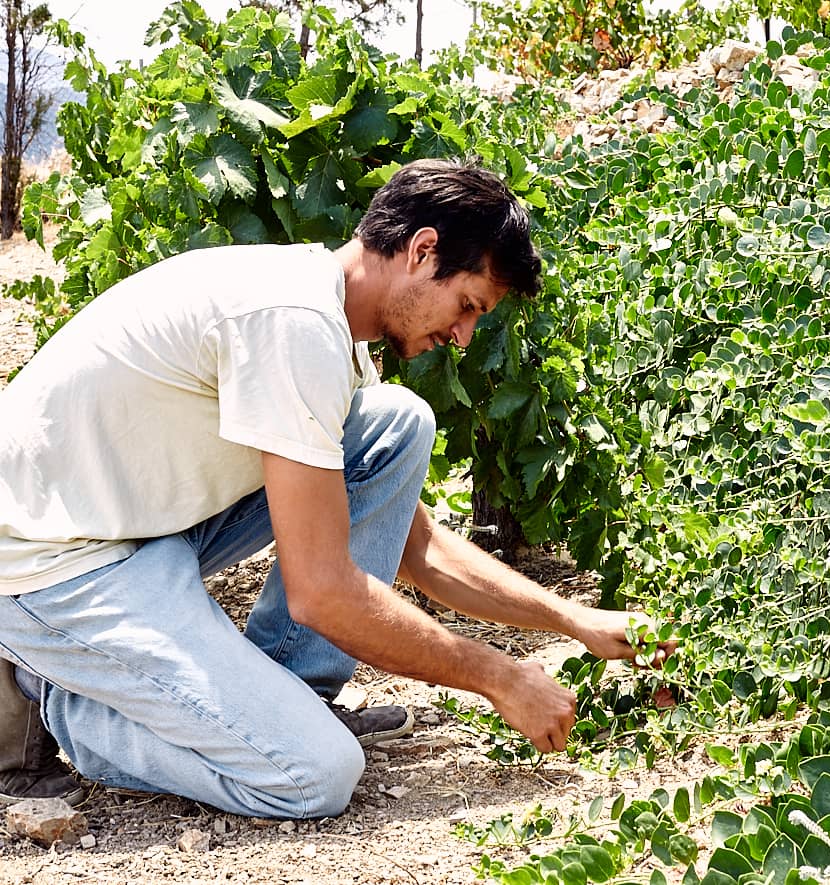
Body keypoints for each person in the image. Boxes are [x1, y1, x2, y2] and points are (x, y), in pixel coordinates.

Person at [0, 158, 672, 817]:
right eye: (467, 305)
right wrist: (499, 676)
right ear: (421, 249)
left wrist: (573, 619)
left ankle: (285, 697)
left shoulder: (332, 325)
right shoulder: (292, 321)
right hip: (52, 563)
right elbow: (322, 590)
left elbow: (418, 547)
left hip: (131, 525)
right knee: (313, 774)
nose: (464, 336)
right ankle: (68, 699)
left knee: (394, 426)